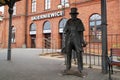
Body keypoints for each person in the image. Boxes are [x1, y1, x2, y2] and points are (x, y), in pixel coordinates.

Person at [63, 7, 86, 73]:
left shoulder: (79, 21)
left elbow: (81, 32)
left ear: (76, 15)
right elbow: (65, 31)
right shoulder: (68, 21)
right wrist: (65, 42)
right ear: (71, 15)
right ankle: (68, 66)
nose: (73, 16)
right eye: (72, 14)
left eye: (74, 14)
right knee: (68, 53)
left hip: (77, 39)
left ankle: (80, 68)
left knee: (79, 53)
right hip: (69, 39)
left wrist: (82, 41)